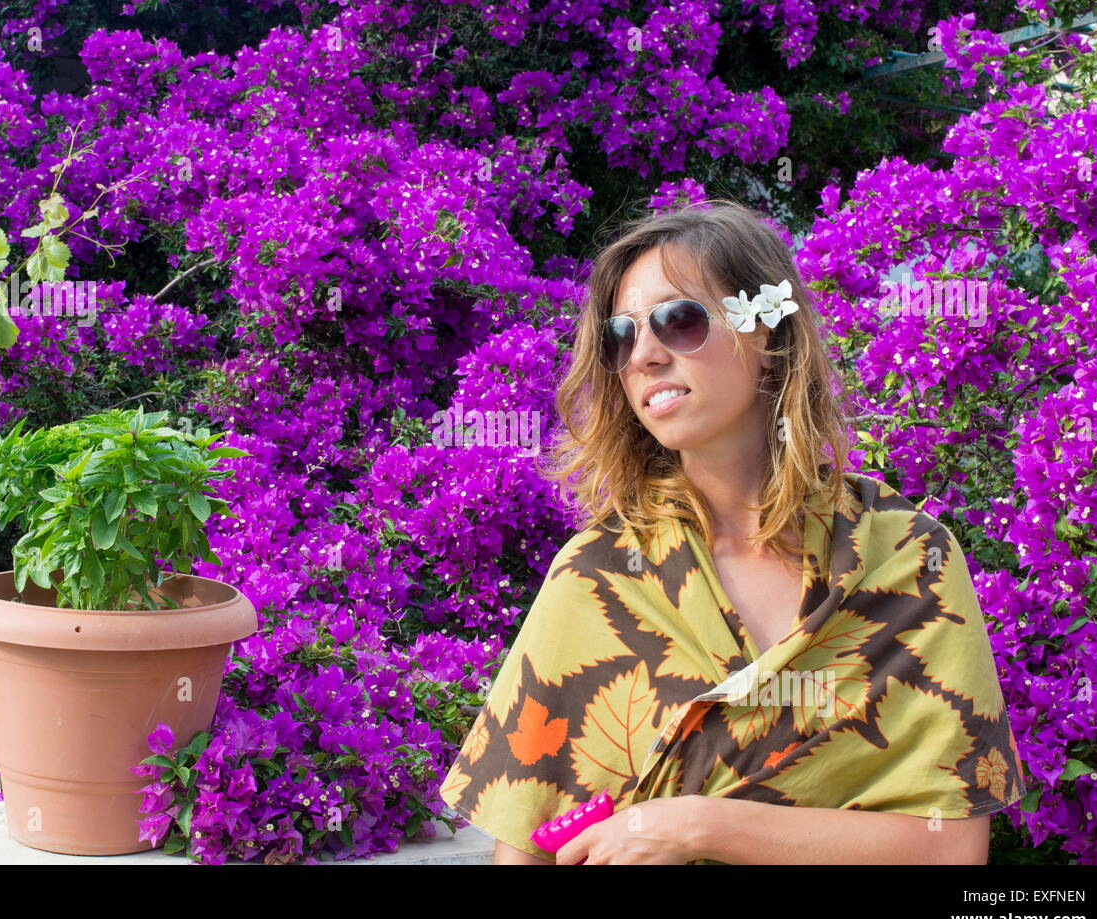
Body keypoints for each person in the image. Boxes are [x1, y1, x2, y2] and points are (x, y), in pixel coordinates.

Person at [436, 198, 1027, 864]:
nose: (645, 356)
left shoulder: (906, 557)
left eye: (678, 320)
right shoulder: (598, 577)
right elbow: (524, 849)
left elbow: (949, 848)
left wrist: (702, 827)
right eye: (621, 336)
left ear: (769, 333)